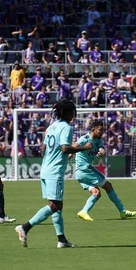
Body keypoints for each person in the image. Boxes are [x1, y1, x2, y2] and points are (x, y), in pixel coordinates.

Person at [15, 99, 92, 248]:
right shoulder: (66, 127)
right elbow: (64, 148)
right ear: (69, 112)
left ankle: (61, 240)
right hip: (54, 171)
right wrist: (84, 147)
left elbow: (43, 149)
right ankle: (25, 228)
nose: (74, 114)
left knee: (56, 205)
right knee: (55, 205)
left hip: (45, 169)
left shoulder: (52, 126)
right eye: (73, 111)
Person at [73, 120, 136, 222]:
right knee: (108, 186)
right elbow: (74, 146)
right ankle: (123, 211)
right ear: (93, 129)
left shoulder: (99, 140)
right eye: (100, 130)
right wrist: (72, 153)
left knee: (96, 193)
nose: (102, 132)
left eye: (102, 130)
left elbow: (102, 149)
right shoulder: (85, 139)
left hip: (80, 172)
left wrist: (102, 152)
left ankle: (84, 211)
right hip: (84, 169)